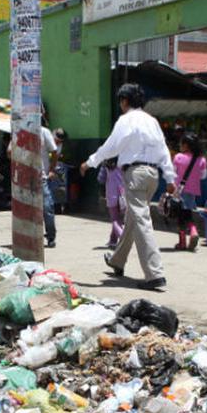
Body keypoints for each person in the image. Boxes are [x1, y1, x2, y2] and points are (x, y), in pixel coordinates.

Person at [80, 83, 176, 290]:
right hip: (153, 175)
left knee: (141, 221)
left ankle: (154, 274)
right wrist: (170, 178)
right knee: (132, 219)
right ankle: (117, 260)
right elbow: (163, 150)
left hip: (135, 174)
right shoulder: (152, 121)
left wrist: (89, 162)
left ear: (124, 101)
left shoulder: (126, 120)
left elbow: (111, 146)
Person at [9, 119, 59, 247]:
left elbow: (54, 152)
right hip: (24, 178)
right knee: (26, 209)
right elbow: (9, 152)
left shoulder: (44, 132)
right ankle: (29, 236)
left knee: (47, 207)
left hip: (41, 177)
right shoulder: (20, 132)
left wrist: (52, 170)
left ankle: (51, 236)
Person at [172, 132, 207, 251]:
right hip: (192, 192)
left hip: (179, 191)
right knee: (187, 214)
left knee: (180, 216)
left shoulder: (178, 157)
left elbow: (173, 173)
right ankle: (192, 232)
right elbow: (203, 176)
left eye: (181, 143)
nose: (180, 145)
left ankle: (185, 239)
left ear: (186, 145)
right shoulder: (201, 160)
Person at [98, 158, 124, 249]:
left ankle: (122, 237)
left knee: (114, 219)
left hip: (111, 193)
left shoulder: (105, 163)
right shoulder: (123, 160)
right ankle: (113, 240)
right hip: (123, 194)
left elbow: (101, 179)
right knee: (119, 218)